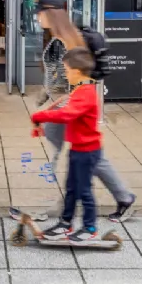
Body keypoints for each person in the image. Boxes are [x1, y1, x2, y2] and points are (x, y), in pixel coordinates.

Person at [29, 0, 136, 222]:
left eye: (39, 13)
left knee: (61, 151)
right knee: (90, 154)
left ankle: (52, 206)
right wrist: (46, 93)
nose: (37, 17)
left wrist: (54, 101)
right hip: (69, 102)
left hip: (70, 105)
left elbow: (69, 75)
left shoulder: (64, 41)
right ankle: (123, 197)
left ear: (51, 13)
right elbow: (58, 74)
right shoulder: (62, 37)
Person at [31, 47, 102, 244]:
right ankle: (65, 224)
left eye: (67, 70)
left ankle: (90, 228)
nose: (65, 74)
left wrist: (40, 115)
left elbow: (67, 114)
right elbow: (69, 108)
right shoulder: (80, 89)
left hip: (88, 151)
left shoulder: (86, 93)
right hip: (78, 149)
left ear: (77, 71)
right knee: (71, 188)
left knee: (84, 190)